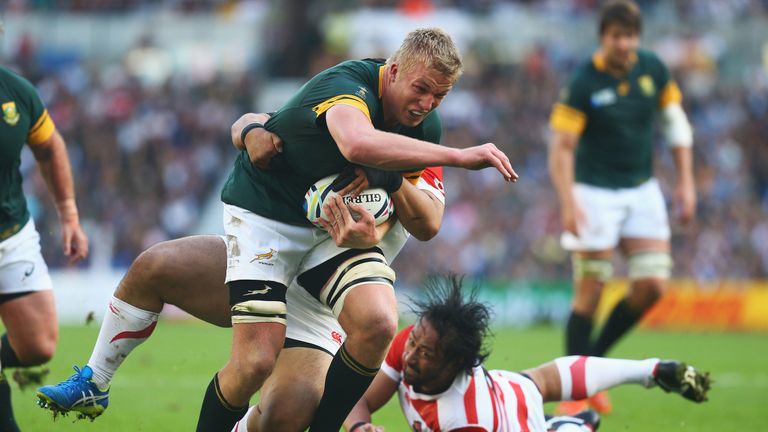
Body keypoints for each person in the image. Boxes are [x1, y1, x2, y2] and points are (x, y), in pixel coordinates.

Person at [38, 103, 448, 432]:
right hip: (272, 260)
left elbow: (428, 221)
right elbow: (251, 120)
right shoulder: (337, 119)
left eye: (435, 96)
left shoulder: (418, 156)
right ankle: (95, 379)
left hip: (328, 302)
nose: (423, 105)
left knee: (287, 411)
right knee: (154, 266)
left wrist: (391, 182)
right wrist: (251, 132)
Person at [547, 1, 696, 415]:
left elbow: (675, 124)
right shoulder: (584, 82)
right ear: (603, 37)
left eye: (630, 36)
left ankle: (591, 366)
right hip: (593, 192)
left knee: (652, 285)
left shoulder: (652, 69)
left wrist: (685, 181)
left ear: (638, 37)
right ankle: (575, 395)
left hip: (641, 189)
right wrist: (567, 201)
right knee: (590, 290)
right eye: (617, 36)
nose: (624, 43)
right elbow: (561, 148)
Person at [336, 276, 710, 432]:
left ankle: (569, 426)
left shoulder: (466, 420)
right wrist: (359, 427)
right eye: (415, 341)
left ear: (454, 365)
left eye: (426, 352)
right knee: (541, 381)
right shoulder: (410, 344)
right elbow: (357, 400)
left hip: (513, 419)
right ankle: (650, 372)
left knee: (542, 396)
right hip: (511, 388)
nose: (411, 354)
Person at [0, 65, 89, 430]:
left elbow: (50, 146)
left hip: (12, 230)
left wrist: (69, 214)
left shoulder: (17, 93)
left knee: (38, 345)